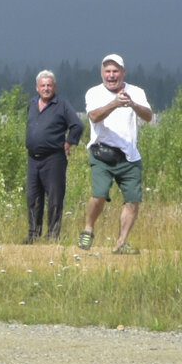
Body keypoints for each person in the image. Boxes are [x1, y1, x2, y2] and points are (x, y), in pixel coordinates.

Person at [79, 54, 152, 254]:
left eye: (115, 71)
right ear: (102, 73)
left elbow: (148, 116)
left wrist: (133, 105)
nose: (111, 75)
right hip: (102, 153)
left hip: (129, 155)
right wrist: (114, 104)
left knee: (133, 200)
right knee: (99, 194)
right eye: (108, 71)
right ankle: (88, 228)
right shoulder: (94, 93)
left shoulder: (136, 92)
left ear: (123, 72)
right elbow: (93, 116)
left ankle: (121, 242)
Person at [24, 69, 83, 243]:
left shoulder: (62, 105)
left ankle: (53, 235)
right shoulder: (32, 104)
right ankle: (33, 233)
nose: (46, 88)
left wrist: (69, 143)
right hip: (33, 158)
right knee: (33, 197)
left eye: (49, 85)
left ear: (54, 87)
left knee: (55, 197)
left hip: (54, 158)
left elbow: (77, 125)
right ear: (37, 88)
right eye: (43, 85)